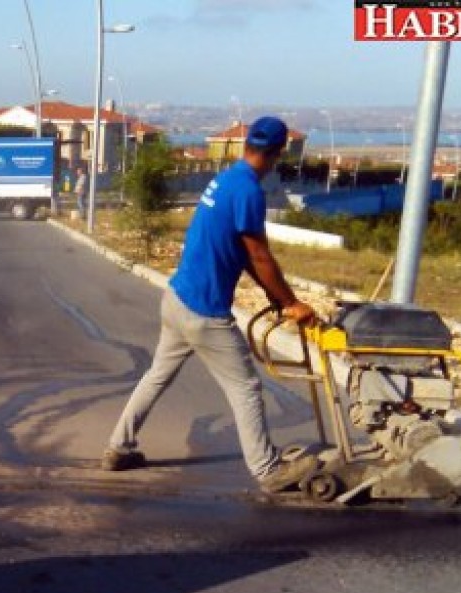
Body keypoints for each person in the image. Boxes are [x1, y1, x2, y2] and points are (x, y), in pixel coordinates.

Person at [100, 115, 319, 493]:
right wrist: (291, 302)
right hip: (204, 311)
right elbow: (259, 254)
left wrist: (276, 298)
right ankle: (268, 471)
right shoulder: (249, 191)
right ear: (278, 153)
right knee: (247, 387)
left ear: (246, 144)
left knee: (157, 375)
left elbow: (243, 252)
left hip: (176, 298)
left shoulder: (227, 179)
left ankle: (118, 447)